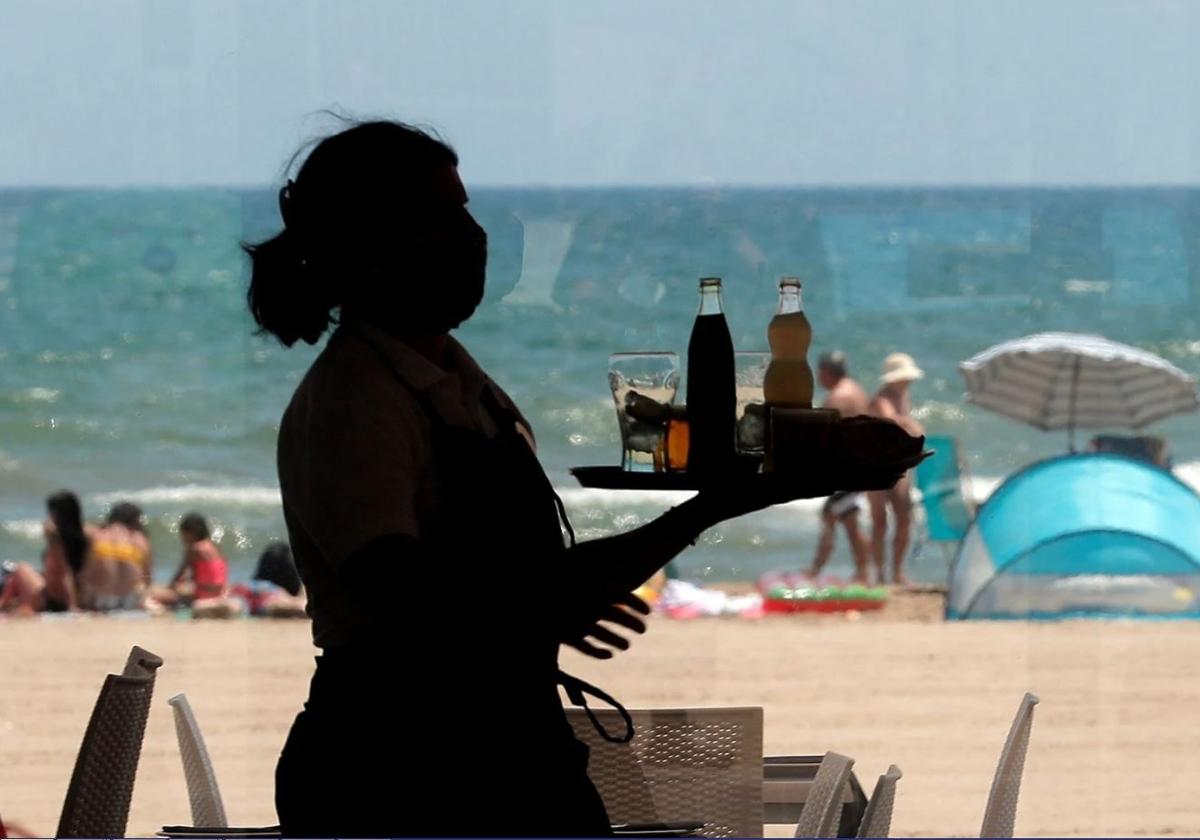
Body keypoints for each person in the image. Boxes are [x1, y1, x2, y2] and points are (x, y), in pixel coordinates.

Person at [248, 119, 816, 837]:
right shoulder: (352, 399)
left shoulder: (456, 380)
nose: (474, 235)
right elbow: (399, 590)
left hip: (507, 753)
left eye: (466, 211)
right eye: (443, 216)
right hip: (400, 772)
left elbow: (531, 586)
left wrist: (721, 503)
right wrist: (545, 608)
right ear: (376, 241)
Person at [806, 351, 872, 582]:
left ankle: (815, 571)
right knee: (848, 517)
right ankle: (863, 572)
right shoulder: (857, 390)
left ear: (825, 372)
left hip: (849, 468)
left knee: (831, 515)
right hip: (863, 463)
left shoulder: (836, 398)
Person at [867, 352, 926, 585]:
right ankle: (881, 574)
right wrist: (912, 424)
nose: (908, 381)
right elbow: (890, 419)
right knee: (880, 521)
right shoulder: (881, 399)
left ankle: (897, 572)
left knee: (904, 517)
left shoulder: (903, 395)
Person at [0, 491, 89, 614]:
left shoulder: (57, 539)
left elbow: (64, 572)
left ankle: (2, 605)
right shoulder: (84, 537)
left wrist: (71, 606)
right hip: (74, 596)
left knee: (21, 568)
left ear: (57, 514)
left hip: (52, 599)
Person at [152, 512, 229, 607]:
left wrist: (169, 588)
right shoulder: (213, 546)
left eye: (183, 533)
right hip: (221, 592)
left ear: (191, 532)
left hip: (205, 594)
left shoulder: (195, 548)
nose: (182, 537)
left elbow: (179, 575)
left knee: (157, 594)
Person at [87, 501, 152, 611]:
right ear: (135, 520)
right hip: (129, 599)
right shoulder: (139, 539)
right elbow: (147, 578)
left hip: (98, 598)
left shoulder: (97, 534)